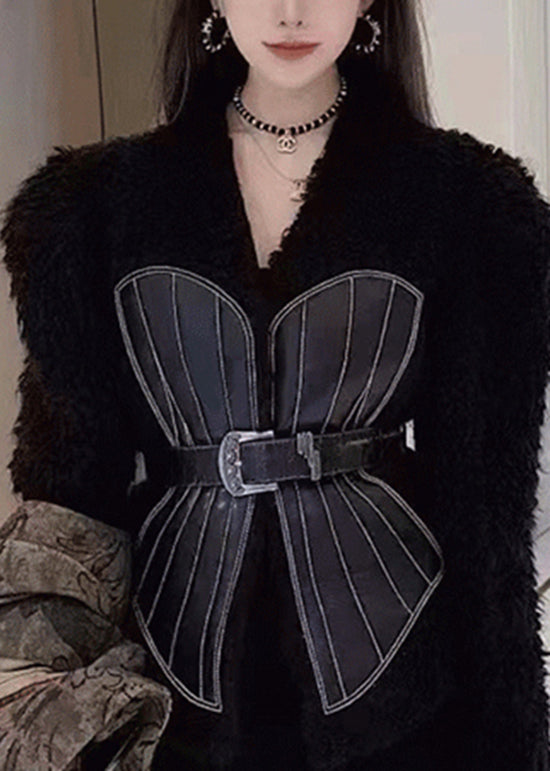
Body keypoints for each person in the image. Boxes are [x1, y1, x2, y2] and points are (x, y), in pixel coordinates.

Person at [1, 0, 550, 768]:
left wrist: (513, 739)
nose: (290, 11)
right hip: (170, 708)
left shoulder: (473, 204)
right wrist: (56, 719)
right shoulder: (90, 209)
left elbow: (487, 512)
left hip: (404, 703)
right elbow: (68, 499)